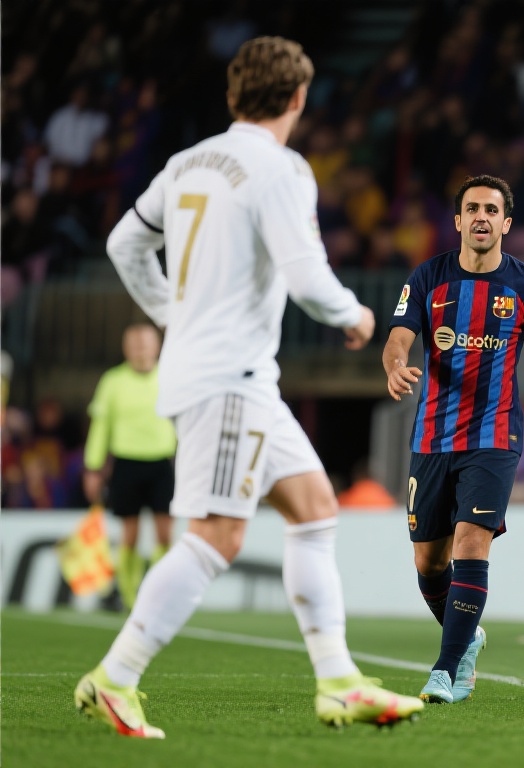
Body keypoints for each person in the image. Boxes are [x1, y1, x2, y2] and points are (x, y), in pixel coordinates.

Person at [74, 36, 423, 739]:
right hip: (228, 378)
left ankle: (338, 681)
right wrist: (355, 315)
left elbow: (122, 244)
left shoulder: (187, 162)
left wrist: (171, 311)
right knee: (216, 537)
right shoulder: (281, 168)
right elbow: (307, 276)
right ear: (297, 98)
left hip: (233, 376)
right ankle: (115, 677)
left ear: (234, 96)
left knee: (315, 507)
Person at [383, 174, 524, 704]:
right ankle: (468, 636)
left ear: (506, 223)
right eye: (472, 209)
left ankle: (446, 671)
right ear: (458, 220)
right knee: (428, 564)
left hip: (494, 435)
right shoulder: (428, 277)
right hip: (432, 437)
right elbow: (398, 338)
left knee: (470, 542)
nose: (481, 217)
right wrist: (395, 366)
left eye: (491, 209)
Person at [82, 323, 177, 609]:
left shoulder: (171, 377)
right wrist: (93, 467)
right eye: (133, 344)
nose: (139, 349)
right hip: (126, 464)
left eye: (144, 343)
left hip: (162, 463)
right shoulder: (113, 381)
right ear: (125, 348)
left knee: (165, 533)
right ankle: (130, 595)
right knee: (130, 533)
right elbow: (101, 426)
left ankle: (161, 592)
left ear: (157, 346)